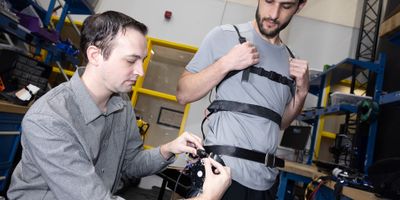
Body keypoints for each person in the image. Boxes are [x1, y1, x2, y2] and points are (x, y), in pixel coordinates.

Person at [7, 11, 230, 200]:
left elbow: (131, 164)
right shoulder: (49, 119)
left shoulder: (121, 105)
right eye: (131, 60)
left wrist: (168, 149)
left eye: (141, 61)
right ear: (95, 55)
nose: (140, 72)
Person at [177, 0, 309, 199]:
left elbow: (280, 123)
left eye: (286, 6)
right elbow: (183, 94)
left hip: (265, 183)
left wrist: (301, 94)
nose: (273, 13)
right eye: (269, 1)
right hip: (220, 176)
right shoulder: (225, 36)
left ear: (299, 6)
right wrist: (226, 63)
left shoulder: (290, 60)